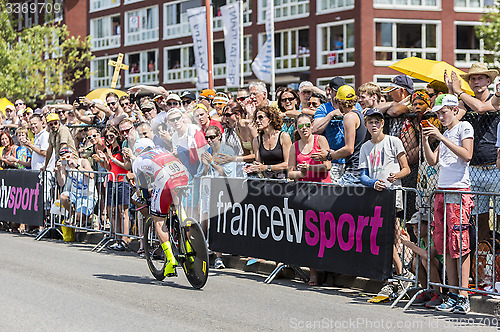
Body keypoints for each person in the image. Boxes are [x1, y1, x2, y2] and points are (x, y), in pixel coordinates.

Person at [422, 94, 474, 314]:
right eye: (438, 113)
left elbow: (467, 154)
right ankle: (453, 293)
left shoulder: (464, 126)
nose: (440, 116)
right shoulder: (445, 132)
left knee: (460, 245)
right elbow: (433, 161)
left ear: (454, 109)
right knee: (447, 245)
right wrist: (426, 139)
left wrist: (440, 138)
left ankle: (463, 295)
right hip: (442, 192)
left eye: (443, 112)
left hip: (458, 191)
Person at [359, 108, 410, 286]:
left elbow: (406, 169)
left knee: (393, 231)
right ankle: (398, 270)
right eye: (371, 122)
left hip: (392, 192)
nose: (374, 125)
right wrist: (373, 183)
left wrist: (395, 176)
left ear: (382, 124)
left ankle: (401, 269)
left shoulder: (393, 141)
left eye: (377, 122)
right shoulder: (365, 147)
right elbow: (363, 176)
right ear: (365, 124)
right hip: (375, 194)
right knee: (383, 233)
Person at [452, 64, 500, 242]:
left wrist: (459, 92)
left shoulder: (496, 98)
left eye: (480, 78)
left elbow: (481, 107)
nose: (476, 81)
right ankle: (483, 259)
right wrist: (454, 95)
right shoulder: (465, 102)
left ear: (488, 80)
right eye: (473, 78)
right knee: (479, 220)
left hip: (496, 167)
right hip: (473, 168)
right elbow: (453, 120)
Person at [132, 138, 190, 276]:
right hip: (183, 174)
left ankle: (170, 260)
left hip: (164, 179)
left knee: (158, 219)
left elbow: (143, 189)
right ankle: (185, 228)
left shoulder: (138, 160)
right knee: (176, 203)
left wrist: (147, 200)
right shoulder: (162, 150)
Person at [312, 85, 367, 185]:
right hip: (361, 169)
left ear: (340, 102)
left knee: (333, 196)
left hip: (353, 171)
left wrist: (329, 156)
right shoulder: (360, 115)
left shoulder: (349, 117)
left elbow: (349, 149)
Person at [200, 125, 236, 269]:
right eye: (206, 138)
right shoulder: (207, 151)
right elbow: (203, 174)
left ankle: (219, 257)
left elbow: (225, 173)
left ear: (219, 136)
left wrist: (212, 163)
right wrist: (206, 166)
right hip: (208, 191)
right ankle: (205, 254)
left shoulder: (227, 151)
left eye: (212, 137)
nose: (209, 140)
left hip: (223, 191)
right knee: (206, 223)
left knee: (218, 225)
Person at [93, 126, 132, 251]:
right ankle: (117, 238)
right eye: (107, 137)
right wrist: (101, 161)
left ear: (116, 135)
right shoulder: (109, 148)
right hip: (112, 180)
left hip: (123, 180)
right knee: (113, 211)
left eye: (111, 136)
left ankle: (125, 240)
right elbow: (109, 168)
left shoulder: (121, 147)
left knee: (123, 212)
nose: (109, 139)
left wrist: (111, 157)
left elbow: (126, 166)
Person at [402, 211, 445, 308]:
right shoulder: (421, 241)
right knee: (416, 261)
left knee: (426, 260)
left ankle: (438, 293)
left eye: (418, 227)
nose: (415, 231)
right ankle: (427, 291)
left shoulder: (435, 238)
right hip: (429, 272)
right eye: (413, 228)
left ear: (429, 226)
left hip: (443, 272)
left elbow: (428, 255)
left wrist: (410, 245)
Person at [312, 76, 347, 182]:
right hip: (333, 159)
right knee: (334, 193)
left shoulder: (353, 106)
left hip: (351, 159)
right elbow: (315, 129)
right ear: (329, 91)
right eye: (337, 92)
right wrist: (331, 114)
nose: (340, 95)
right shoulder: (323, 108)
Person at [245, 106, 292, 179]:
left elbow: (288, 164)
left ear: (270, 119)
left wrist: (267, 167)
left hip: (284, 180)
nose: (257, 121)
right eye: (256, 118)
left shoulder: (284, 136)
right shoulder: (257, 140)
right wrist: (253, 168)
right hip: (267, 180)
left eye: (260, 117)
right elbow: (259, 166)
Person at [56, 147, 97, 227]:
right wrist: (59, 170)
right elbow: (61, 183)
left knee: (80, 217)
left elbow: (91, 175)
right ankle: (73, 216)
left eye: (68, 157)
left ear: (72, 155)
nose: (67, 160)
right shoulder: (66, 165)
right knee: (63, 196)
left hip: (88, 195)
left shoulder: (83, 161)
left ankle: (91, 217)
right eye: (64, 158)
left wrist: (77, 166)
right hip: (75, 194)